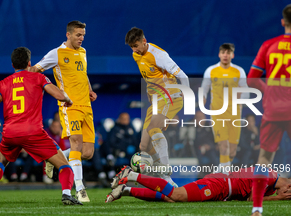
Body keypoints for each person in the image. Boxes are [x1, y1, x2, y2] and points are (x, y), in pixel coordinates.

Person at [0, 47, 81, 206]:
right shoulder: (38, 78)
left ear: (12, 64)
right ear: (29, 62)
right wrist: (68, 100)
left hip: (10, 132)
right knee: (64, 164)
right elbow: (59, 95)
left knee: (0, 160)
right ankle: (66, 195)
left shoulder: (3, 83)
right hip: (33, 132)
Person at [29, 21, 96, 202]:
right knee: (76, 144)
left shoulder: (83, 52)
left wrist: (89, 89)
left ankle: (53, 158)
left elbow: (84, 73)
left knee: (88, 152)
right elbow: (35, 69)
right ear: (68, 35)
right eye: (78, 35)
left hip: (86, 107)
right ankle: (80, 189)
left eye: (83, 35)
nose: (81, 38)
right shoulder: (56, 53)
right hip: (69, 106)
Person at [125, 27, 190, 186]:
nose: (134, 49)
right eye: (131, 46)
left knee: (154, 129)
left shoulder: (159, 56)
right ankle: (166, 179)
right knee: (144, 146)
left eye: (136, 45)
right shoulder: (136, 55)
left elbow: (183, 76)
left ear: (144, 41)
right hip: (156, 101)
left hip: (171, 96)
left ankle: (165, 172)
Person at [247, 4, 291, 216]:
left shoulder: (269, 45)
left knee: (263, 160)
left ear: (283, 22)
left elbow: (252, 79)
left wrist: (269, 92)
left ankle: (257, 210)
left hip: (273, 110)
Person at [106, 166, 291, 203]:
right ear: (287, 187)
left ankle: (126, 190)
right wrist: (278, 198)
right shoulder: (267, 177)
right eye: (288, 193)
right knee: (177, 194)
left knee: (172, 199)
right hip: (220, 185)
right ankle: (132, 174)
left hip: (222, 187)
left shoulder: (271, 179)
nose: (287, 195)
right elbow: (253, 199)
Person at [201, 43, 248, 174]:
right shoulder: (211, 70)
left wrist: (241, 97)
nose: (225, 55)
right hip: (217, 113)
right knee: (223, 144)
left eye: (228, 53)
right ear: (219, 54)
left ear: (232, 55)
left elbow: (246, 92)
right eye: (223, 52)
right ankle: (225, 174)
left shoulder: (239, 71)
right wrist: (202, 103)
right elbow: (204, 90)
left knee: (232, 149)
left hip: (234, 113)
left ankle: (223, 168)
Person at [193, 111, 218, 176]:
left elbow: (214, 141)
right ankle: (201, 176)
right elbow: (192, 142)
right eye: (197, 117)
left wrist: (209, 146)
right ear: (195, 119)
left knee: (213, 155)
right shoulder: (192, 128)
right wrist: (200, 146)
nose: (199, 119)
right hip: (197, 150)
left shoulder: (210, 127)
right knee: (198, 155)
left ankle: (216, 175)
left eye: (201, 117)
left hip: (209, 149)